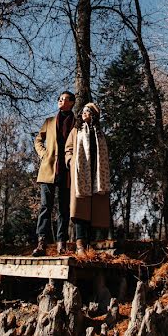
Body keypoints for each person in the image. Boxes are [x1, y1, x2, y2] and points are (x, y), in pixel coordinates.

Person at [32, 91, 76, 256]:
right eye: (59, 99)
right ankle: (41, 243)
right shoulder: (49, 122)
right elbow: (38, 140)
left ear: (71, 102)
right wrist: (43, 154)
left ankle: (61, 245)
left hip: (67, 171)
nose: (60, 101)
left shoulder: (76, 123)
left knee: (64, 209)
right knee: (45, 207)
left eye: (64, 99)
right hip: (48, 170)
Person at [65, 102, 110, 255]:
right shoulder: (76, 131)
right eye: (83, 111)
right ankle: (80, 245)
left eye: (88, 111)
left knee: (93, 212)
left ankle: (91, 245)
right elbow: (68, 149)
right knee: (80, 211)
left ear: (94, 115)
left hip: (96, 176)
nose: (84, 113)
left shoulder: (100, 133)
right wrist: (70, 161)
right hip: (81, 175)